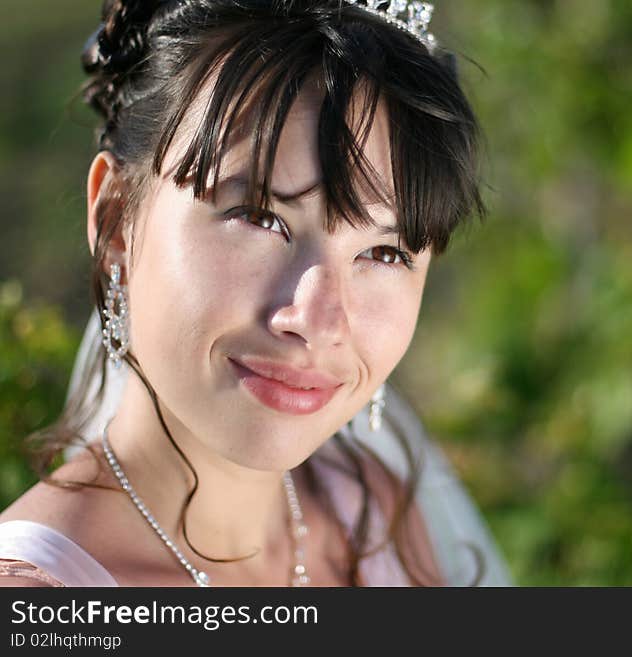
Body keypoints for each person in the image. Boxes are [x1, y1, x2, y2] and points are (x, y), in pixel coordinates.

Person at [0, 0, 511, 587]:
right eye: (261, 217)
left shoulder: (372, 516)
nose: (318, 319)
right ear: (117, 220)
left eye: (384, 253)